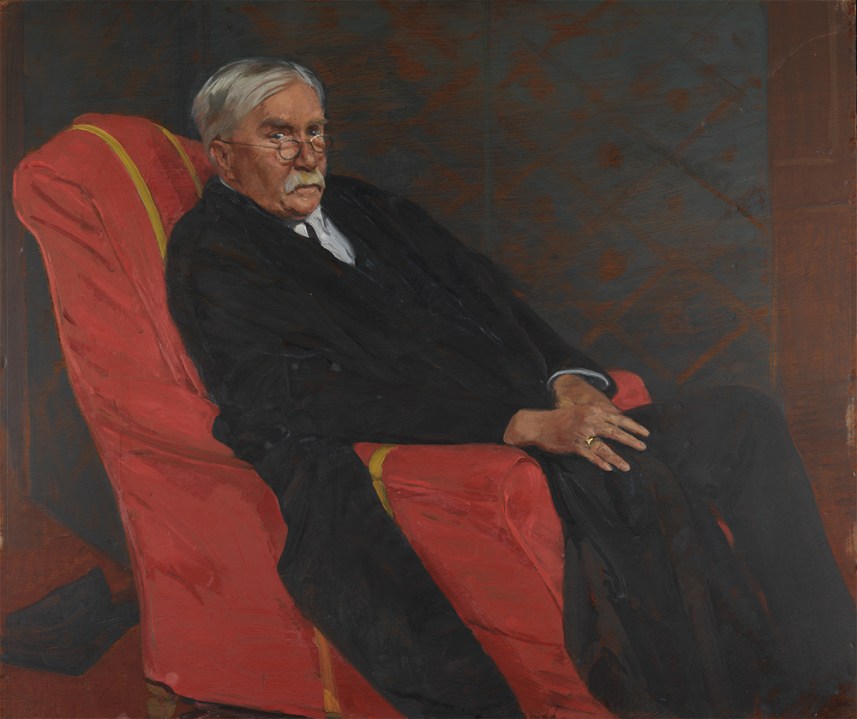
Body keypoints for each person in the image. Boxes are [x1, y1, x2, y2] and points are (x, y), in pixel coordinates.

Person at [166, 57, 854, 718]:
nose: (307, 154)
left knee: (742, 419)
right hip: (462, 443)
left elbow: (495, 300)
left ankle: (832, 671)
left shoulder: (363, 205)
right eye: (278, 135)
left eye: (315, 131)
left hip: (537, 408)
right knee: (633, 480)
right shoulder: (213, 251)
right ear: (223, 156)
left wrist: (570, 379)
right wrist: (518, 422)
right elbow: (297, 395)